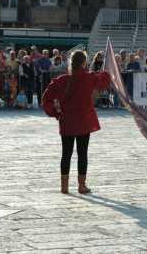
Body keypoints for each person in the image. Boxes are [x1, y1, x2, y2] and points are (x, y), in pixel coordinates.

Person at [42, 50, 111, 195]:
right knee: (82, 153)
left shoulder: (61, 80)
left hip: (67, 121)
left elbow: (46, 98)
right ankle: (81, 186)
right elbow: (104, 81)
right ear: (84, 63)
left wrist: (55, 112)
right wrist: (106, 71)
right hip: (84, 121)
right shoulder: (89, 78)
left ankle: (64, 187)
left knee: (65, 154)